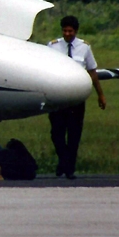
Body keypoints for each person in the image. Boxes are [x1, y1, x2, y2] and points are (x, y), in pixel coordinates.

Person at [47, 15, 106, 179]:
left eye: (70, 31)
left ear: (76, 31)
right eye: (64, 30)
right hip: (58, 97)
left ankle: (69, 168)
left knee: (74, 134)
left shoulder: (84, 48)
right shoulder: (52, 46)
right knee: (57, 133)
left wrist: (100, 94)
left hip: (76, 98)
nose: (67, 34)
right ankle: (63, 161)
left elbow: (92, 72)